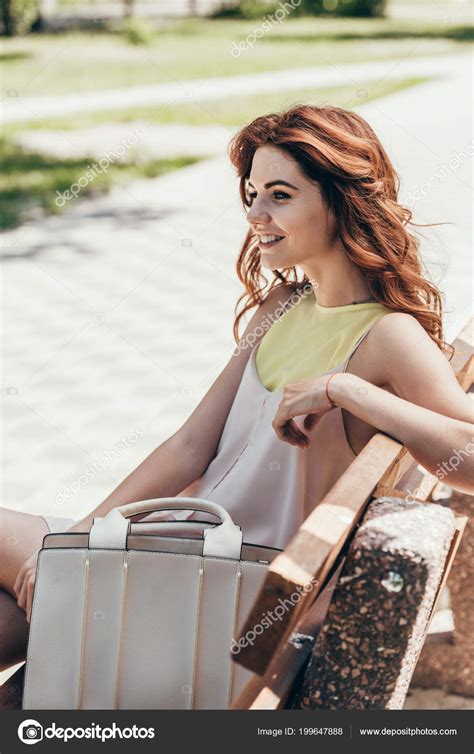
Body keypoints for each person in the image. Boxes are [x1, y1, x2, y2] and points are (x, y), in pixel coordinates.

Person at [1, 105, 473, 694]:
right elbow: (190, 446)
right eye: (251, 194)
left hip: (235, 591)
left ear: (341, 200)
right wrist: (86, 538)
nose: (255, 214)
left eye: (279, 194)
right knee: (23, 603)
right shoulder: (281, 309)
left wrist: (344, 388)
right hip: (180, 552)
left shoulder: (387, 335)